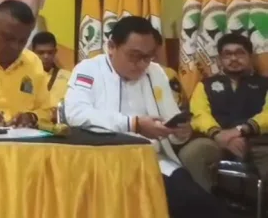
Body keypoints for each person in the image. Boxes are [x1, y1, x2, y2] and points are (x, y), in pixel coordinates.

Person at [64, 16, 234, 218]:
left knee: (201, 204)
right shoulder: (89, 69)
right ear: (112, 47)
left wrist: (179, 132)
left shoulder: (156, 73)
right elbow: (76, 114)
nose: (142, 64)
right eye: (134, 56)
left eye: (148, 57)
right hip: (107, 162)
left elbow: (170, 120)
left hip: (153, 161)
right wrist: (133, 124)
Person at [178, 33, 268, 192]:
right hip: (216, 141)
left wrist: (242, 130)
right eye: (227, 54)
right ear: (219, 60)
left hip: (259, 142)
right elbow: (199, 114)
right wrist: (218, 134)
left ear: (250, 57)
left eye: (240, 53)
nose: (233, 58)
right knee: (192, 153)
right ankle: (208, 203)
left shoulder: (264, 84)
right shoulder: (205, 85)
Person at [31, 31, 71, 109]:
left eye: (50, 52)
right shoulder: (24, 77)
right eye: (41, 53)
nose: (46, 56)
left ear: (55, 51)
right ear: (33, 52)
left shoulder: (69, 77)